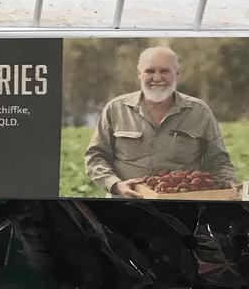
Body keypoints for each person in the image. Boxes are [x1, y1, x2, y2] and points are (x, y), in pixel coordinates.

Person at [85, 46, 237, 198]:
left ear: (177, 74)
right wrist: (115, 185)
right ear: (139, 74)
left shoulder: (199, 111)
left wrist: (228, 186)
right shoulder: (116, 108)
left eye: (164, 71)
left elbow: (218, 160)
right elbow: (95, 156)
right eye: (150, 71)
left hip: (182, 205)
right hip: (125, 205)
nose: (157, 78)